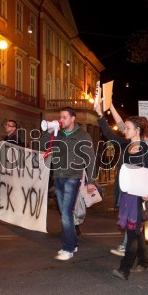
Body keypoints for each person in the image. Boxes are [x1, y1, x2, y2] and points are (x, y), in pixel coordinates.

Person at [96, 104, 148, 280]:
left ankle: (125, 268)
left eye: (128, 128)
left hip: (140, 197)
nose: (125, 130)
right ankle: (144, 261)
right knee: (135, 230)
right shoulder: (125, 145)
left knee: (132, 233)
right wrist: (101, 114)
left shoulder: (147, 150)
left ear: (137, 130)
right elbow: (109, 133)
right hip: (125, 195)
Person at [40, 107, 97, 261]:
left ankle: (68, 248)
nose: (61, 119)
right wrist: (50, 131)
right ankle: (73, 243)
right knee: (65, 213)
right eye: (60, 117)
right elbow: (43, 146)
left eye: (64, 117)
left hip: (73, 177)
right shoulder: (58, 133)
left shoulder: (82, 135)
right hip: (58, 176)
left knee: (65, 213)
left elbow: (90, 159)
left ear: (73, 118)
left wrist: (91, 180)